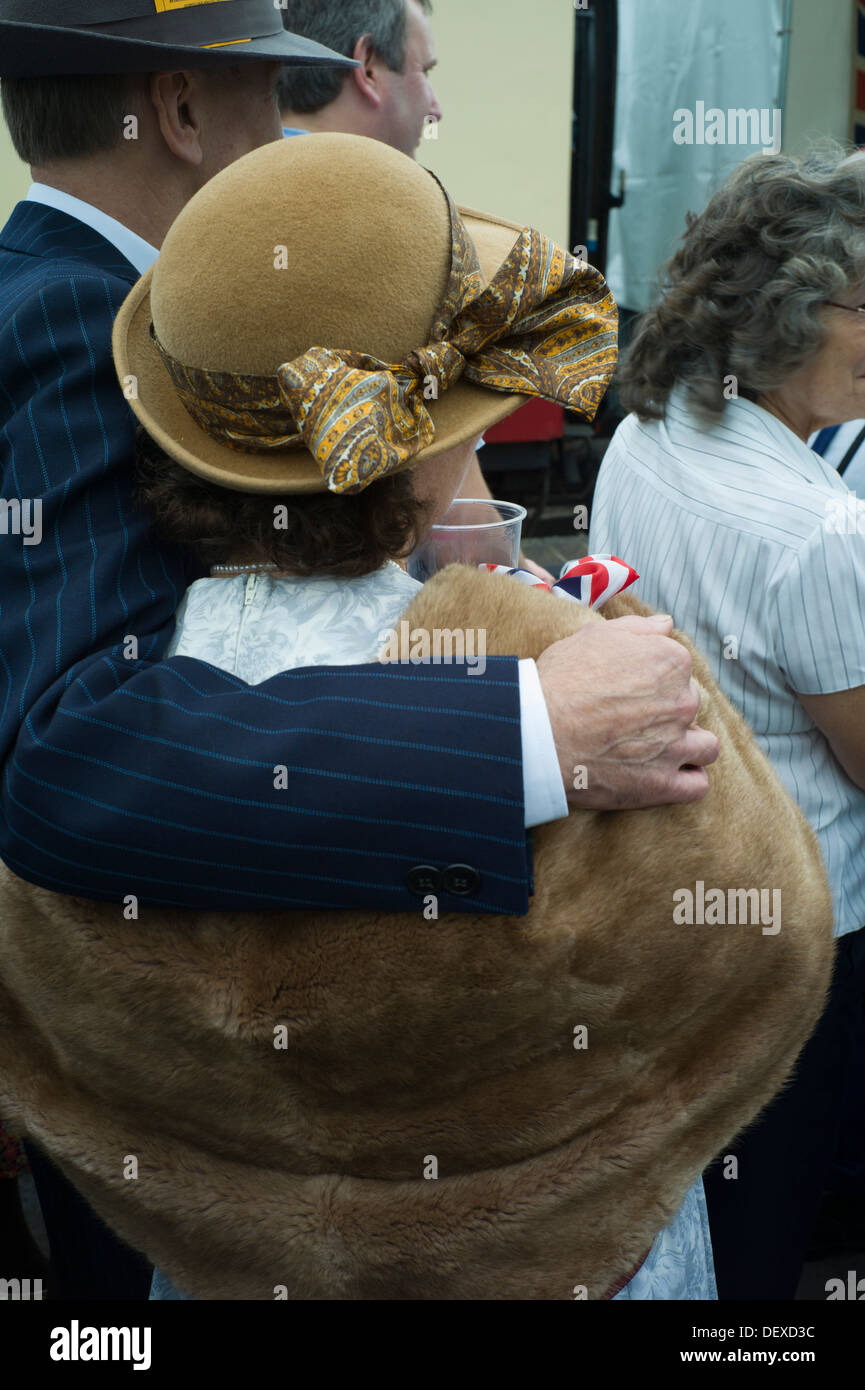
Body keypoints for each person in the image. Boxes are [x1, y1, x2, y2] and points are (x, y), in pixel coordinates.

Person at [0, 133, 832, 1302]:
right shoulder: (552, 667)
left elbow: (52, 1054)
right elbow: (773, 950)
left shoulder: (105, 705)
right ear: (430, 450)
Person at [589, 140, 865, 1300]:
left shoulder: (647, 435)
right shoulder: (814, 532)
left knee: (706, 1234)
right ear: (793, 313)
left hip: (672, 908)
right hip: (811, 953)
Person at [277, 0, 441, 156]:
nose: (435, 112)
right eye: (424, 71)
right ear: (368, 68)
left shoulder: (255, 172)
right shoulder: (384, 183)